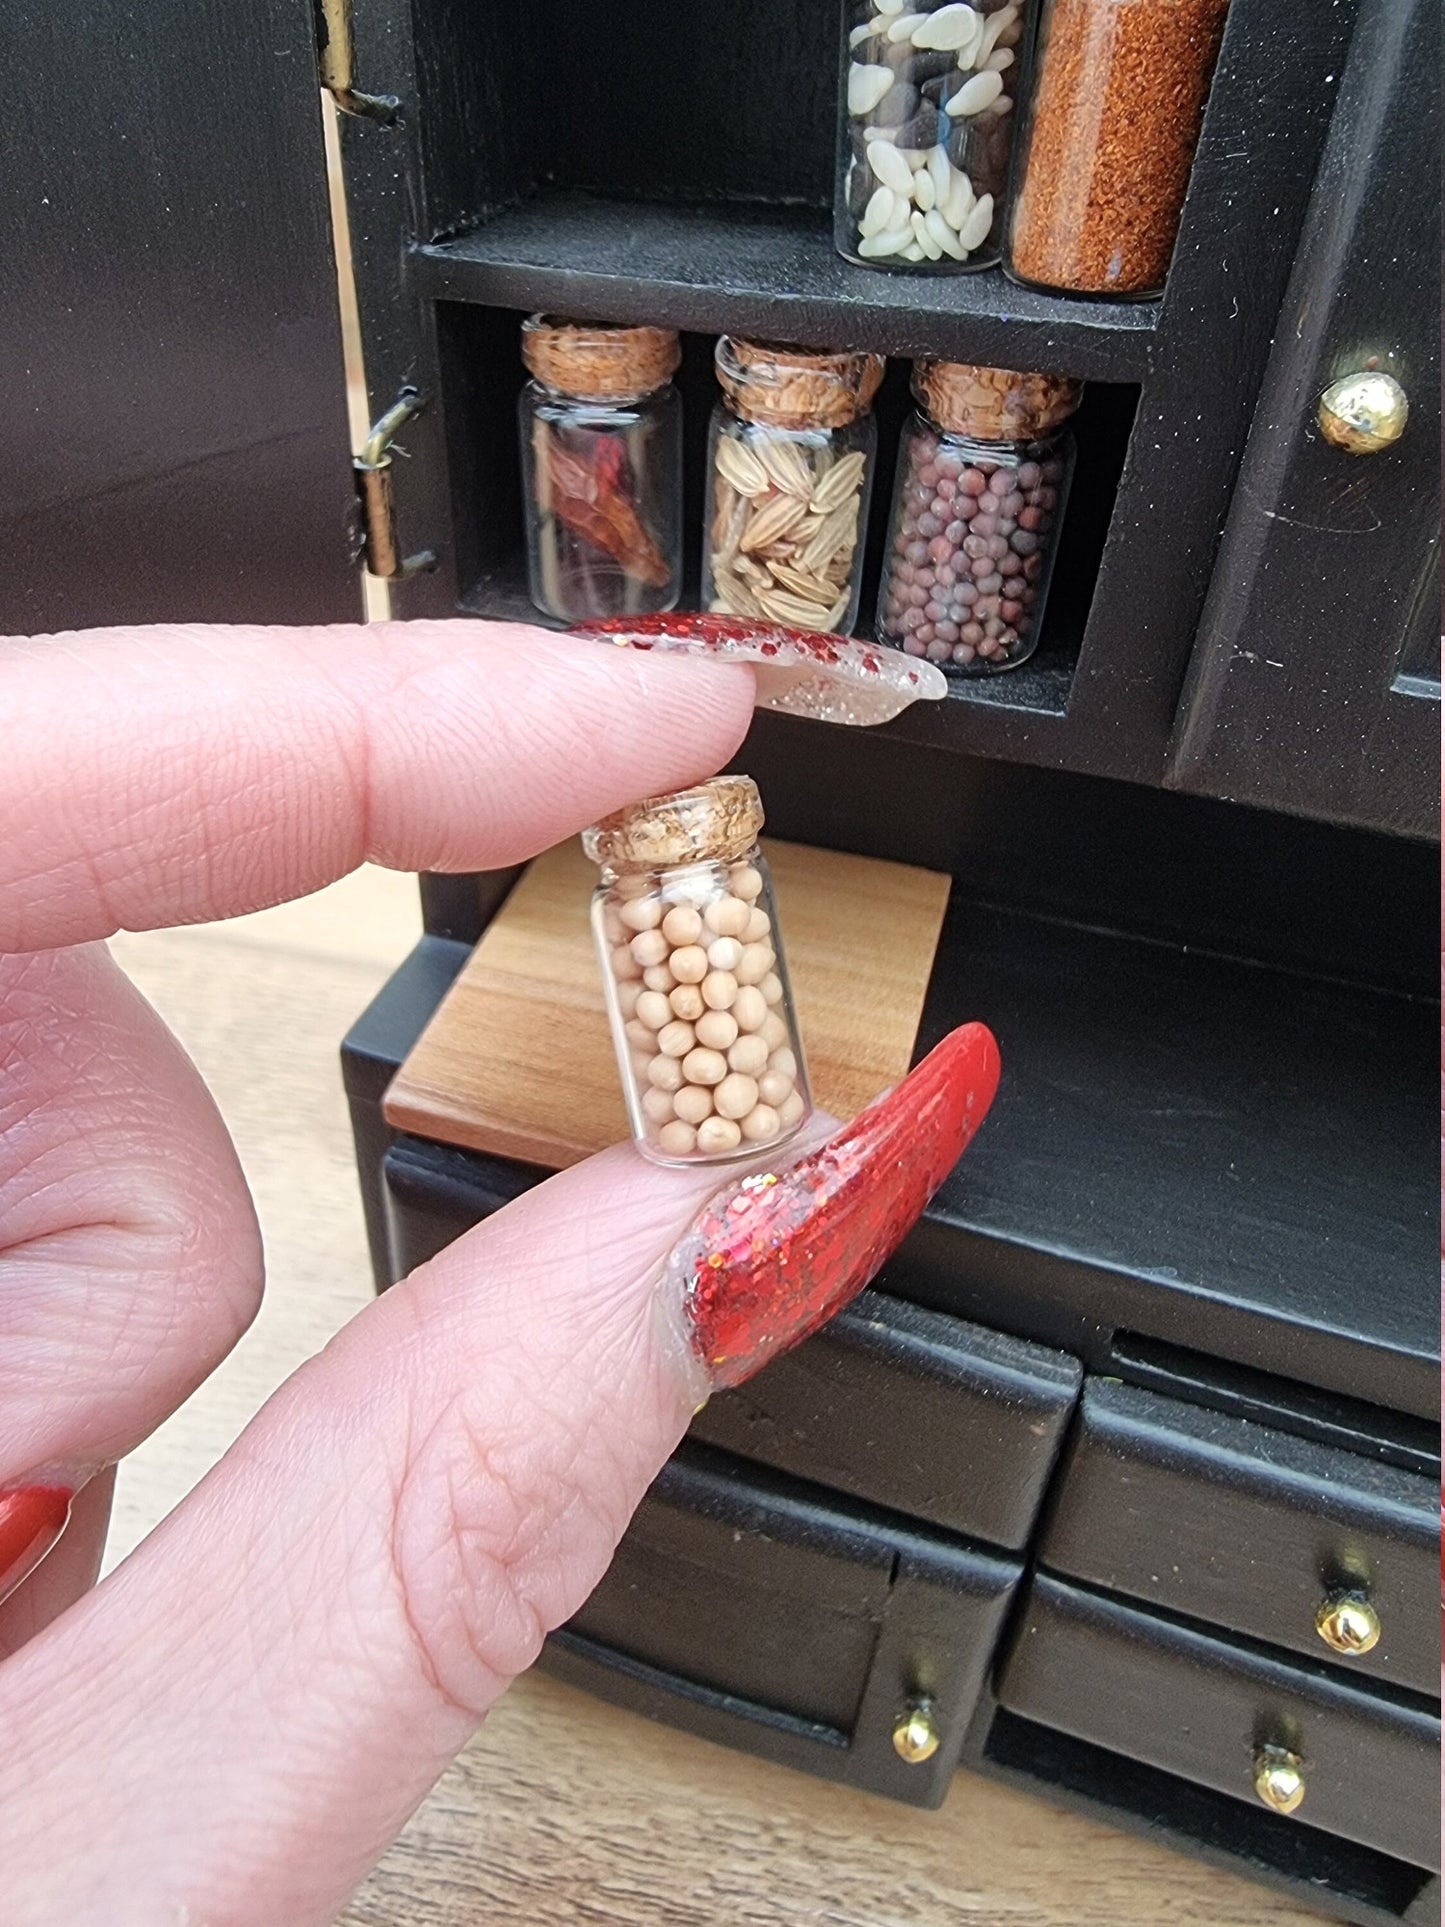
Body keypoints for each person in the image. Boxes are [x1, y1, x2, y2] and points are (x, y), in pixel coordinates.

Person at [0, 618, 996, 1925]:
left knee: (711, 1110)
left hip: (708, 1127)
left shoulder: (691, 890)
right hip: (696, 1149)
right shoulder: (666, 901)